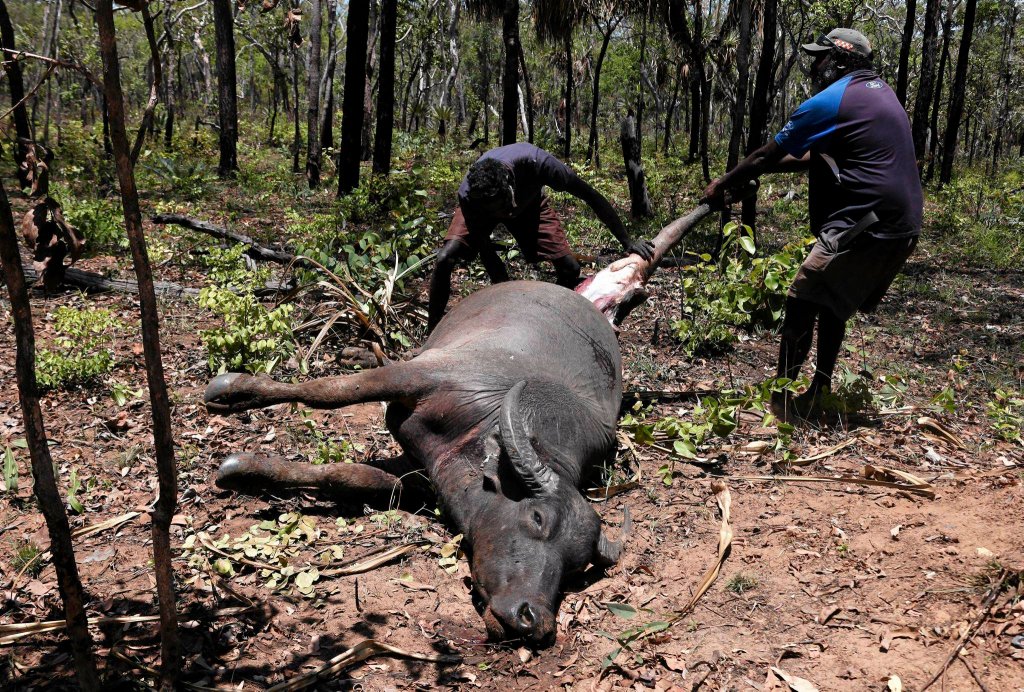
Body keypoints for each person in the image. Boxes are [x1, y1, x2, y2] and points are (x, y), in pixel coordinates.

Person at [702, 28, 923, 420]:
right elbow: (813, 158)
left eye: (819, 58)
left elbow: (763, 154)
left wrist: (723, 184)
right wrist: (760, 175)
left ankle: (782, 400)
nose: (813, 65)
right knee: (833, 303)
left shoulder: (830, 101)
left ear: (839, 60)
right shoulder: (878, 92)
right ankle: (819, 389)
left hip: (867, 220)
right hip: (901, 223)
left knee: (802, 298)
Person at [427, 142, 654, 332]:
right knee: (445, 258)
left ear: (509, 184)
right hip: (480, 211)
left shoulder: (538, 163)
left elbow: (591, 196)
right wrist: (508, 298)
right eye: (493, 211)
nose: (500, 216)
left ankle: (554, 321)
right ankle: (432, 330)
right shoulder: (470, 194)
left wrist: (627, 241)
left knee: (570, 268)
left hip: (529, 205)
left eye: (502, 206)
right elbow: (486, 252)